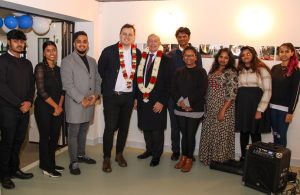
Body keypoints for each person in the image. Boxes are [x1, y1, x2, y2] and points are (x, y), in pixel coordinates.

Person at [98, 24, 141, 173]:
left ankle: (119, 154)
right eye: (124, 34)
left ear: (134, 37)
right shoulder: (109, 51)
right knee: (110, 128)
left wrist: (136, 97)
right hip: (112, 97)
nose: (127, 37)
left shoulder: (138, 53)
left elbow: (138, 78)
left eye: (130, 34)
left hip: (128, 97)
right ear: (119, 35)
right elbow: (100, 72)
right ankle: (106, 158)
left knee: (124, 128)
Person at [61, 31, 101, 175]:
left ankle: (81, 154)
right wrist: (81, 99)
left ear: (88, 44)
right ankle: (73, 162)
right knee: (73, 133)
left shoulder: (92, 60)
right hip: (75, 104)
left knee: (84, 130)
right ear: (74, 43)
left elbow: (97, 79)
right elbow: (67, 85)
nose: (82, 44)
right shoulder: (67, 61)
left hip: (90, 102)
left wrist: (96, 95)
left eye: (85, 41)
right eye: (79, 41)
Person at [0, 29, 35, 189]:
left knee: (19, 142)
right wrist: (19, 104)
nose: (19, 44)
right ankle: (4, 175)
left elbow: (31, 86)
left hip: (25, 110)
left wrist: (28, 102)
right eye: (16, 41)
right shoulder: (2, 61)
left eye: (22, 41)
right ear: (9, 42)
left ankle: (15, 170)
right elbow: (2, 87)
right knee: (7, 143)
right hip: (8, 110)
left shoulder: (27, 63)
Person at [135, 34, 171, 167]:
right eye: (150, 41)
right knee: (146, 128)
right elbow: (136, 79)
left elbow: (169, 83)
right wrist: (136, 98)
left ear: (160, 43)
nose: (153, 43)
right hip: (143, 99)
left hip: (158, 101)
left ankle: (157, 155)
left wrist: (162, 101)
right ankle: (149, 150)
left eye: (155, 41)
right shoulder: (141, 59)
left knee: (157, 130)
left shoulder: (167, 60)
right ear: (147, 43)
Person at [167, 27, 202, 161]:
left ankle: (188, 154)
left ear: (189, 37)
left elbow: (198, 74)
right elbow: (170, 77)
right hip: (174, 97)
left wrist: (188, 101)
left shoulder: (196, 53)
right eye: (180, 37)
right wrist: (179, 99)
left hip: (191, 99)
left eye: (184, 36)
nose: (182, 39)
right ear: (177, 38)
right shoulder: (171, 54)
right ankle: (176, 151)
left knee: (189, 129)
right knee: (175, 126)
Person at [199, 48, 238, 165]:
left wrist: (222, 111)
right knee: (209, 133)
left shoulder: (231, 72)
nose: (223, 60)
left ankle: (218, 160)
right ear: (217, 58)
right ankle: (208, 158)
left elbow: (232, 95)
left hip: (223, 107)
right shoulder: (213, 70)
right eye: (221, 57)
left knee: (220, 134)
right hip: (210, 108)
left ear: (229, 59)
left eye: (226, 58)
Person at [171, 46, 208, 172]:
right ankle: (183, 157)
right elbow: (173, 88)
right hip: (180, 108)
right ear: (183, 57)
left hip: (195, 109)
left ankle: (189, 159)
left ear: (196, 57)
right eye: (186, 55)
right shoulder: (178, 71)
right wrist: (181, 102)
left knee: (190, 135)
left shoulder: (201, 72)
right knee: (184, 134)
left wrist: (187, 102)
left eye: (191, 55)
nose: (189, 57)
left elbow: (202, 90)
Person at [34, 41, 65, 177]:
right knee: (45, 137)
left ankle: (51, 163)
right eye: (48, 50)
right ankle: (46, 167)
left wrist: (60, 106)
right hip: (43, 108)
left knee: (55, 137)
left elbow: (63, 90)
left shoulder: (58, 69)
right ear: (44, 53)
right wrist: (56, 106)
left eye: (54, 50)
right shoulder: (40, 67)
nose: (52, 53)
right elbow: (41, 91)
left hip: (58, 108)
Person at [236, 46, 272, 161]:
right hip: (242, 106)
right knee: (244, 132)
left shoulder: (262, 70)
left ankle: (256, 159)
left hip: (255, 106)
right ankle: (244, 157)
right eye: (243, 54)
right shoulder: (239, 70)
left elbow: (268, 91)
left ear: (253, 55)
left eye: (248, 54)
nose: (245, 56)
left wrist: (260, 110)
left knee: (255, 133)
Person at [270, 43, 300, 147]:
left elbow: (296, 93)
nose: (284, 54)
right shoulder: (274, 68)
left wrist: (290, 112)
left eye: (287, 51)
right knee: (275, 135)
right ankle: (275, 161)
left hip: (285, 110)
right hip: (272, 107)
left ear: (292, 53)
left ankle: (282, 161)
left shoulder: (296, 71)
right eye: (282, 51)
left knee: (281, 136)